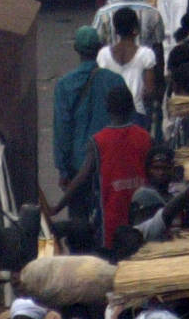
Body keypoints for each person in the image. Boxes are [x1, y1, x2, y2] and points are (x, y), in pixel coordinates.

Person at [50, 26, 127, 239]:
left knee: (78, 224)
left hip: (77, 167)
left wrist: (63, 170)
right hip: (110, 163)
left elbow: (62, 129)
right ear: (99, 48)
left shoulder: (65, 85)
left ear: (77, 49)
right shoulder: (115, 80)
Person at [61, 84, 150, 255]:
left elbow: (82, 178)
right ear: (132, 107)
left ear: (107, 108)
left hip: (110, 223)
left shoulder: (98, 141)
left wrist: (57, 207)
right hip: (142, 219)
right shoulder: (144, 137)